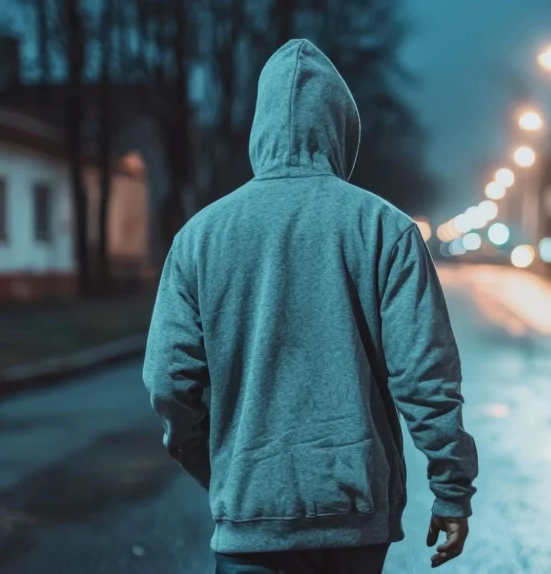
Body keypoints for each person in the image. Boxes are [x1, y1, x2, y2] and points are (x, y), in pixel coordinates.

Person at [142, 39, 478, 574]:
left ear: (260, 127)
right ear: (342, 129)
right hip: (355, 515)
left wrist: (213, 464)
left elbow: (168, 381)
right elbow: (427, 374)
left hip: (250, 515)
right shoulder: (384, 229)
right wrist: (452, 489)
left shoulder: (199, 238)